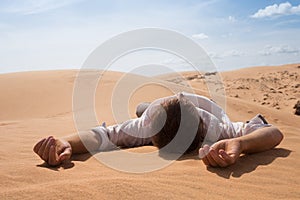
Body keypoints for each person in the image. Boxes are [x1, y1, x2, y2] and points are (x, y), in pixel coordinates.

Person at [33, 92, 283, 168]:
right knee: (143, 108)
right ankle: (146, 105)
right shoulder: (146, 124)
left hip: (205, 106)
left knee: (141, 109)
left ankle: (144, 106)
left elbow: (273, 133)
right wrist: (65, 141)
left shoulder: (217, 129)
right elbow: (100, 135)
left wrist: (242, 144)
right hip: (154, 110)